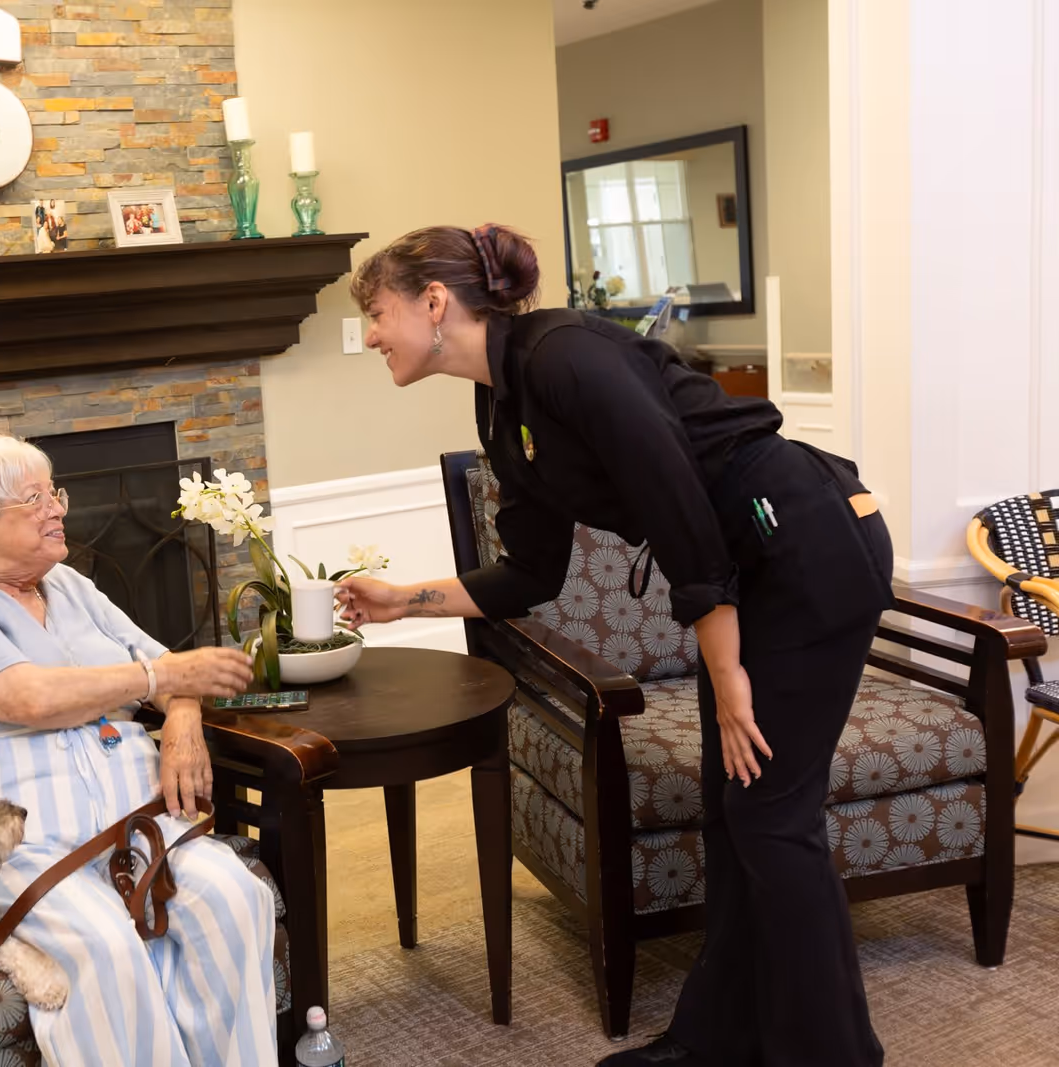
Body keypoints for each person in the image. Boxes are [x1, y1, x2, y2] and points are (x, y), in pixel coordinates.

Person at [335, 225, 894, 1067]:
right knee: (731, 807)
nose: (372, 335)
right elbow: (530, 571)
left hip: (803, 546)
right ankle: (720, 1038)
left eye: (377, 313)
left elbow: (680, 508)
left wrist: (727, 669)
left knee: (771, 818)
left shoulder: (567, 356)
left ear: (435, 303)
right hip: (748, 571)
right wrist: (400, 600)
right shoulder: (503, 399)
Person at [0, 427, 277, 1067]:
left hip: (134, 826)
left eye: (55, 492)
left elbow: (169, 669)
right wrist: (163, 681)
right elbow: (30, 699)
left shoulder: (70, 586)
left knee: (236, 898)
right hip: (23, 844)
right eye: (34, 498)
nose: (58, 509)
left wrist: (182, 721)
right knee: (104, 943)